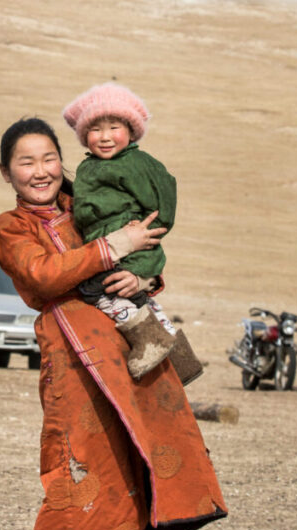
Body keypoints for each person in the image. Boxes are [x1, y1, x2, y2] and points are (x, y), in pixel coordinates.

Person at [0, 117, 227, 530]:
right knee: (75, 478)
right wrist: (110, 248)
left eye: (49, 158)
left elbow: (144, 239)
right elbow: (44, 277)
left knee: (135, 475)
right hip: (74, 361)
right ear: (7, 173)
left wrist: (142, 276)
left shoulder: (94, 199)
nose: (41, 171)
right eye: (26, 163)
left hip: (134, 357)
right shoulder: (10, 227)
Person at [61, 82, 202, 383]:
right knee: (140, 299)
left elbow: (165, 195)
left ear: (131, 130)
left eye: (114, 127)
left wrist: (151, 228)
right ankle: (178, 355)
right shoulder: (90, 167)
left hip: (131, 245)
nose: (105, 136)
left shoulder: (138, 163)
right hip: (112, 243)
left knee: (98, 290)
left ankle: (148, 342)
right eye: (95, 129)